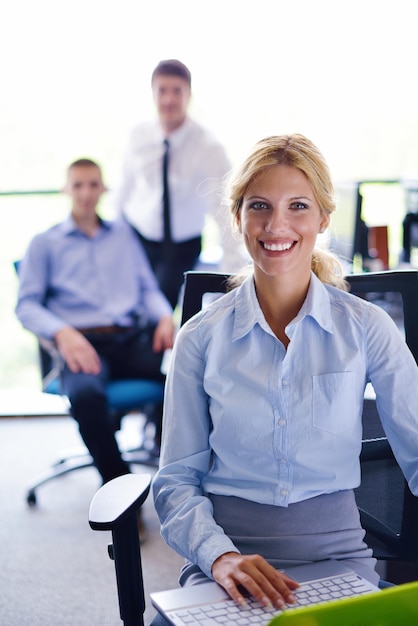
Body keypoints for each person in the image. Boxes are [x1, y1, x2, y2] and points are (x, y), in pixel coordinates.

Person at [151, 134, 418, 623]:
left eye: (298, 206)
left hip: (339, 562)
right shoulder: (200, 337)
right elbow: (176, 481)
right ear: (238, 219)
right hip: (227, 567)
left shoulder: (364, 328)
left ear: (322, 219)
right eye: (259, 206)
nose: (277, 225)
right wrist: (219, 556)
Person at [16, 158, 174, 484]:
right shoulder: (45, 243)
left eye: (93, 184)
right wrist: (62, 332)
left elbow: (147, 288)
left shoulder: (123, 236)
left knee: (189, 372)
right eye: (78, 185)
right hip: (82, 343)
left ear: (103, 189)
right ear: (66, 189)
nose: (86, 193)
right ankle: (120, 491)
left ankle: (185, 473)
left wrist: (163, 317)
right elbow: (26, 306)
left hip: (131, 339)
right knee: (86, 396)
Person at [114, 58, 243, 308]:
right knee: (129, 307)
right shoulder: (138, 135)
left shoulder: (209, 147)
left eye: (177, 91)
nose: (169, 100)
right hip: (138, 237)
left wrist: (230, 274)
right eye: (162, 91)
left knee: (160, 310)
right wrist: (114, 241)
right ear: (153, 93)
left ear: (189, 95)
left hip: (180, 247)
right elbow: (125, 187)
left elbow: (224, 210)